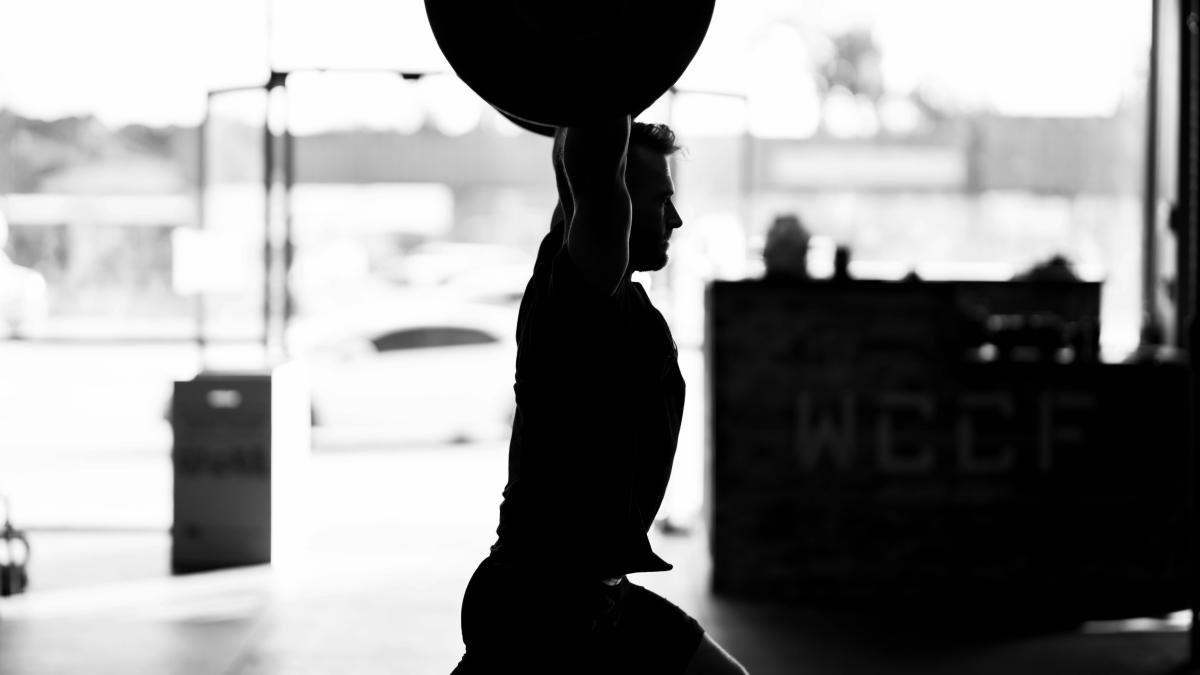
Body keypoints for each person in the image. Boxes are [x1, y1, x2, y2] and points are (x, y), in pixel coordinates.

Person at [450, 117, 749, 674]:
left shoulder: (622, 301)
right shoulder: (580, 297)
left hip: (601, 596)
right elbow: (587, 169)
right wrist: (603, 78)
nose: (677, 218)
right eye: (660, 201)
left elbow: (578, 163)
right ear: (618, 206)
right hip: (540, 608)